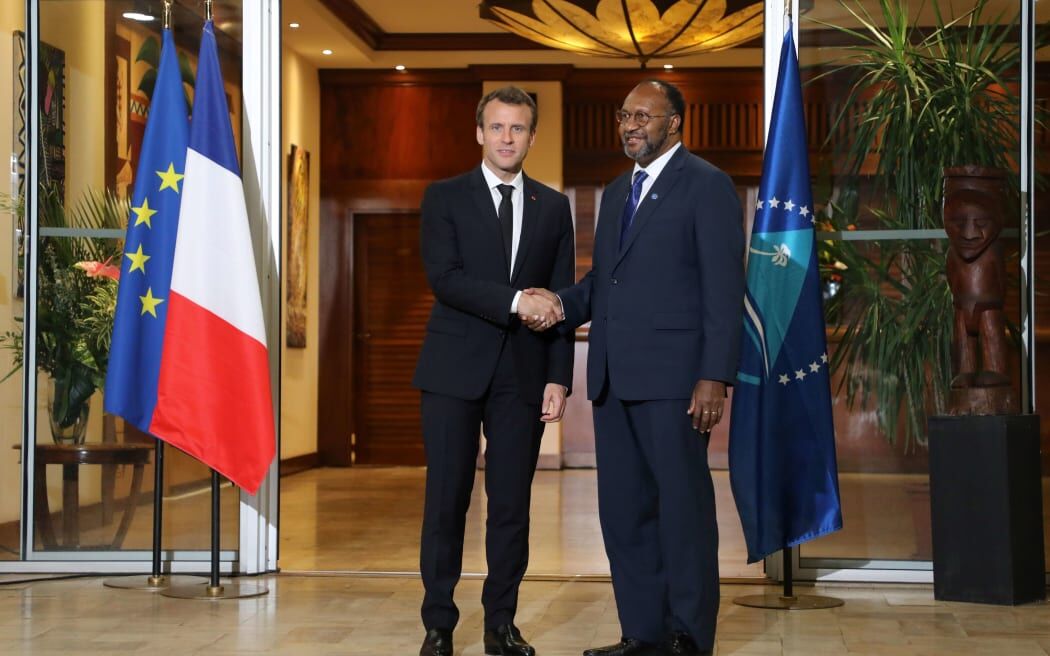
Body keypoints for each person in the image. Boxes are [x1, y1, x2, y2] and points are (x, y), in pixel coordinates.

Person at [525, 80, 745, 656]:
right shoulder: (618, 191)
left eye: (644, 116)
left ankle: (688, 636)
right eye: (625, 115)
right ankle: (642, 633)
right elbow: (605, 283)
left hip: (677, 383)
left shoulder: (708, 185)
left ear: (676, 123)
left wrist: (714, 375)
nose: (631, 125)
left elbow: (724, 289)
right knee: (624, 515)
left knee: (683, 512)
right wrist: (556, 305)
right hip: (613, 380)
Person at [413, 85, 575, 656]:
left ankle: (500, 624)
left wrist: (559, 377)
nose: (508, 138)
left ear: (532, 136)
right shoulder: (445, 197)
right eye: (498, 127)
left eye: (519, 129)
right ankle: (438, 624)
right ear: (480, 133)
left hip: (524, 378)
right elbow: (446, 279)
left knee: (511, 506)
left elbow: (557, 302)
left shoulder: (554, 207)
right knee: (446, 500)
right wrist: (514, 302)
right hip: (453, 372)